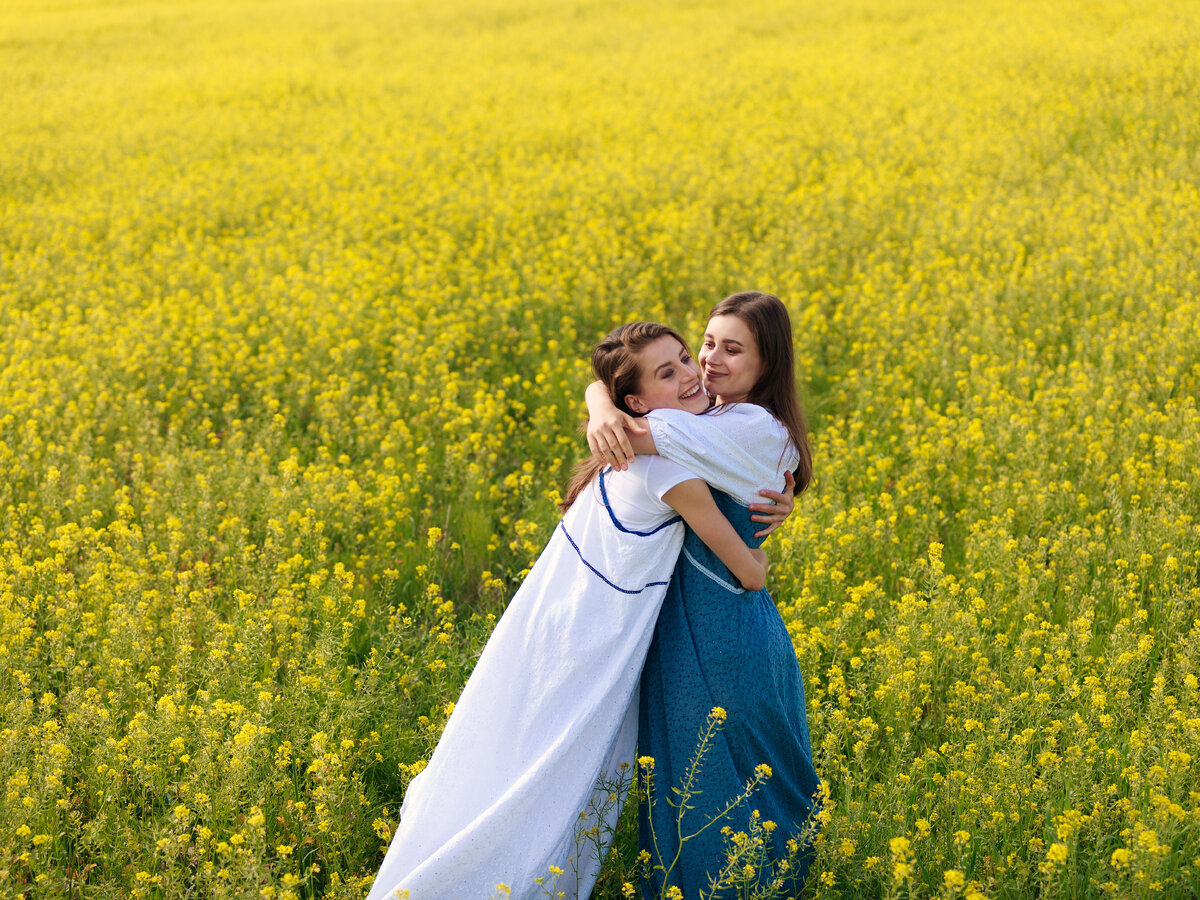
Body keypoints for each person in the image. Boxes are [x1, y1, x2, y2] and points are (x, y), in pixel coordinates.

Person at [367, 322, 795, 900]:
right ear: (636, 404)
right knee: (554, 771)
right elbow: (748, 571)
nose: (693, 372)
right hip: (593, 642)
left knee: (500, 749)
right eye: (668, 371)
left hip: (548, 619)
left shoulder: (637, 445)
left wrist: (600, 402)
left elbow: (684, 427)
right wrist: (759, 552)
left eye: (684, 358)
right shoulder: (672, 467)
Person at [585, 292, 821, 898]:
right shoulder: (712, 415)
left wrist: (600, 408)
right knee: (692, 782)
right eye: (707, 343)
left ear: (768, 362)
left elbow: (633, 430)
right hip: (696, 623)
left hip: (724, 635)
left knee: (726, 789)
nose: (711, 360)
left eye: (732, 349)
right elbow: (628, 398)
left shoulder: (750, 426)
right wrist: (598, 401)